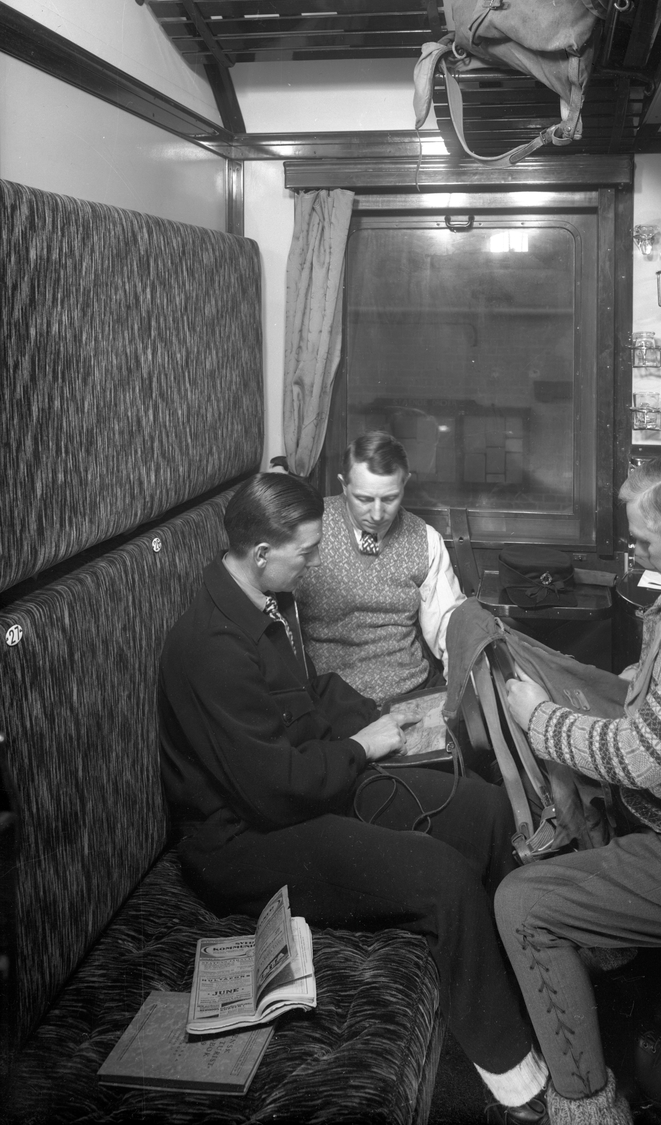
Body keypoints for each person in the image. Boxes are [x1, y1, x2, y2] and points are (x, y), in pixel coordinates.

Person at [158, 473, 549, 1123]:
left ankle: (529, 988)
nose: (313, 562)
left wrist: (381, 724)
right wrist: (362, 749)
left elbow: (304, 705)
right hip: (245, 843)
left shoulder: (264, 602)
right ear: (262, 552)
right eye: (306, 551)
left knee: (483, 809)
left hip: (304, 789)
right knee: (443, 878)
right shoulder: (210, 648)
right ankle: (516, 1080)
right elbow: (273, 791)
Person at [495, 451, 661, 1125]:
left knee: (522, 905)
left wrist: (540, 718)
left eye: (645, 541)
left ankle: (586, 1105)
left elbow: (641, 757)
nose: (637, 555)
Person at [294, 431, 465, 703]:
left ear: (404, 483)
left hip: (411, 690)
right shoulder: (307, 529)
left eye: (389, 499)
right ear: (344, 485)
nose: (376, 514)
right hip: (330, 699)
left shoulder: (426, 539)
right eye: (364, 499)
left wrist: (456, 694)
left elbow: (449, 624)